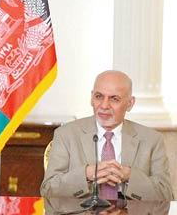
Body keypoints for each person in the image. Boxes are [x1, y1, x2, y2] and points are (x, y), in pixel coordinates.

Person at [41, 70, 172, 201]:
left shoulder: (152, 140)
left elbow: (166, 195)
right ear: (91, 98)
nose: (104, 105)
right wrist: (86, 174)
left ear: (130, 103)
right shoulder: (66, 134)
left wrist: (129, 176)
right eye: (99, 96)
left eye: (114, 99)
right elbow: (48, 190)